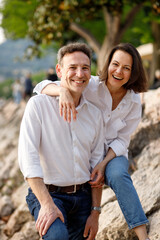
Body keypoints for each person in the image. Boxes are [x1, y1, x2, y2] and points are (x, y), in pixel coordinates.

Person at [34, 43, 151, 240]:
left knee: (118, 174)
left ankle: (143, 236)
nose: (119, 71)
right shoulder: (91, 85)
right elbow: (40, 87)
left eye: (126, 68)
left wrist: (104, 163)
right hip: (86, 152)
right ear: (108, 64)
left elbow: (123, 140)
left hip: (113, 155)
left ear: (133, 72)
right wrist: (62, 91)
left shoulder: (134, 101)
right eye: (115, 64)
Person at [18, 43, 105, 240]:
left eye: (85, 68)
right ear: (59, 70)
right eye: (72, 67)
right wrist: (47, 205)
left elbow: (96, 168)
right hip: (48, 195)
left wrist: (95, 212)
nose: (79, 74)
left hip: (83, 197)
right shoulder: (38, 106)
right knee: (56, 236)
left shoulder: (95, 114)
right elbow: (28, 160)